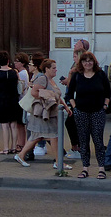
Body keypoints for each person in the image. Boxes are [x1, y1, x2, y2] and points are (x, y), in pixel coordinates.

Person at [14, 59, 73, 170]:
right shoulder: (42, 79)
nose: (56, 70)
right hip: (44, 114)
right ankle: (58, 162)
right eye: (53, 68)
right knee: (52, 136)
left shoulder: (52, 81)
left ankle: (21, 155)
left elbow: (57, 96)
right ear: (47, 69)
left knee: (39, 136)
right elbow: (34, 92)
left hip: (51, 113)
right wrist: (47, 96)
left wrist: (65, 106)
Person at [66, 51, 110, 179]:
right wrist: (75, 108)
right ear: (81, 63)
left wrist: (105, 106)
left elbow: (108, 93)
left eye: (90, 60)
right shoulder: (77, 76)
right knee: (83, 141)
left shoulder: (100, 75)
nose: (88, 63)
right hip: (81, 112)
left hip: (97, 112)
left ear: (94, 62)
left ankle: (101, 168)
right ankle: (85, 168)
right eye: (85, 61)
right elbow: (70, 94)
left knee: (98, 140)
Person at [62, 39, 88, 159]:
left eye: (75, 56)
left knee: (74, 124)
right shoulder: (75, 69)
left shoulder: (78, 71)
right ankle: (77, 147)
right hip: (75, 101)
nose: (73, 59)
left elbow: (71, 85)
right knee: (72, 123)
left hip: (80, 102)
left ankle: (78, 148)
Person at [0, 51, 21, 155]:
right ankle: (13, 147)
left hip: (2, 100)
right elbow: (18, 85)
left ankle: (5, 148)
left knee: (5, 125)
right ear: (8, 61)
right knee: (13, 124)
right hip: (13, 100)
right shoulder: (15, 72)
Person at [13, 52, 30, 152]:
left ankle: (21, 143)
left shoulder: (22, 74)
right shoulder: (23, 72)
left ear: (23, 63)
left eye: (17, 61)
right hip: (22, 100)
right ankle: (21, 143)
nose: (15, 63)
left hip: (21, 100)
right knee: (20, 124)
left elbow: (20, 87)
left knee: (20, 124)